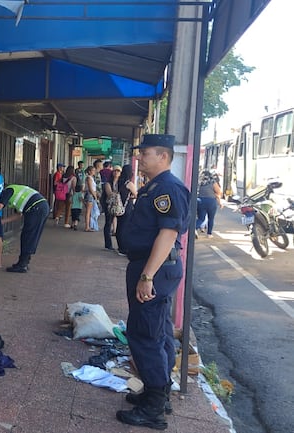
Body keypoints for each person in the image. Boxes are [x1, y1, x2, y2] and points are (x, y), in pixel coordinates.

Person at [116, 135, 189, 430]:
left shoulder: (168, 188)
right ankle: (157, 391)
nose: (140, 158)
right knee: (157, 332)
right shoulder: (155, 187)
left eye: (145, 153)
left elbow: (168, 234)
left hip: (154, 268)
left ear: (163, 156)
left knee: (144, 333)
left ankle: (154, 409)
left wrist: (147, 276)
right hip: (150, 266)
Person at [0, 184, 50, 273]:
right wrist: (2, 221)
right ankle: (24, 262)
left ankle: (22, 264)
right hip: (42, 206)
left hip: (35, 207)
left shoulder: (7, 191)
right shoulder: (16, 192)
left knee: (28, 236)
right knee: (30, 236)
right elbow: (19, 214)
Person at [115, 164, 137, 255]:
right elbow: (136, 194)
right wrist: (132, 196)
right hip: (127, 208)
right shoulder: (129, 183)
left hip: (119, 207)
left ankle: (120, 247)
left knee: (119, 227)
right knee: (125, 228)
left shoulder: (118, 182)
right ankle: (124, 249)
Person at [196, 169, 222, 239]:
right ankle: (209, 234)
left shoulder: (199, 182)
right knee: (211, 218)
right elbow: (219, 191)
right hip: (211, 201)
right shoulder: (212, 181)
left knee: (201, 218)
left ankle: (194, 228)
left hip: (200, 201)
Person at [83, 165, 99, 232]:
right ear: (89, 171)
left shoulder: (91, 178)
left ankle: (89, 225)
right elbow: (90, 188)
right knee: (88, 211)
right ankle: (87, 227)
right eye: (93, 170)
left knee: (90, 211)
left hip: (90, 195)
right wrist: (95, 196)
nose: (94, 172)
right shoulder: (89, 178)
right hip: (90, 195)